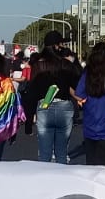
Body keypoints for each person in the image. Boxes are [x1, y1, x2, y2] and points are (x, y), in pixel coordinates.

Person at [22, 30, 81, 163]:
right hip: (64, 107)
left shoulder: (38, 66)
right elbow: (78, 83)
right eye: (61, 44)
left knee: (44, 153)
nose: (63, 47)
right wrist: (74, 61)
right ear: (56, 46)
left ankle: (46, 181)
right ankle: (61, 181)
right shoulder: (66, 65)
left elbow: (32, 92)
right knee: (61, 153)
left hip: (45, 106)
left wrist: (29, 120)